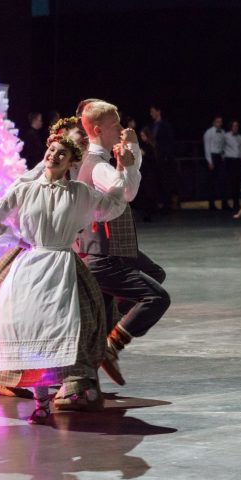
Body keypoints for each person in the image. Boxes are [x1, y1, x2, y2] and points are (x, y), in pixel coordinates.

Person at [0, 121, 132, 424]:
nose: (53, 156)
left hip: (63, 265)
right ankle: (40, 400)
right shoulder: (26, 189)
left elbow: (113, 206)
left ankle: (66, 389)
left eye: (61, 154)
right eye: (51, 150)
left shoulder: (80, 193)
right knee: (27, 328)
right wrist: (16, 238)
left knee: (63, 328)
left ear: (71, 163)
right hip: (31, 266)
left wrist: (124, 170)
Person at [75, 100, 170, 387]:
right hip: (101, 254)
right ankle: (112, 344)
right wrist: (128, 160)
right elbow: (128, 191)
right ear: (98, 130)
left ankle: (110, 328)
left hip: (110, 249)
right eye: (115, 124)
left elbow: (128, 177)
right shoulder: (97, 167)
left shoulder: (101, 162)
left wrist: (132, 152)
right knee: (157, 298)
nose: (121, 127)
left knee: (154, 272)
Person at [149, 104, 177, 211]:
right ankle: (158, 204)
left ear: (158, 112)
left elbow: (169, 141)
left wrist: (167, 155)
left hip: (164, 157)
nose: (151, 114)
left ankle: (167, 205)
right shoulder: (152, 125)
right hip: (155, 157)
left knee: (166, 181)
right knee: (157, 181)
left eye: (153, 111)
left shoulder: (166, 125)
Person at [203, 116, 227, 210]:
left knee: (223, 180)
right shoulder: (208, 132)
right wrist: (209, 161)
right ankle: (211, 204)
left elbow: (224, 145)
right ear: (214, 122)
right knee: (211, 181)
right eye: (217, 122)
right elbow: (207, 147)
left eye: (220, 122)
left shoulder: (223, 132)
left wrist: (223, 156)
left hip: (220, 156)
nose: (219, 123)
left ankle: (224, 203)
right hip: (212, 156)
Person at [223, 120, 241, 211]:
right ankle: (225, 203)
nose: (236, 127)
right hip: (229, 160)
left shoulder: (240, 137)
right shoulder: (226, 136)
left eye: (237, 126)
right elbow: (221, 147)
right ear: (231, 127)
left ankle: (236, 203)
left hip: (237, 161)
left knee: (237, 182)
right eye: (234, 126)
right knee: (228, 182)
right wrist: (223, 156)